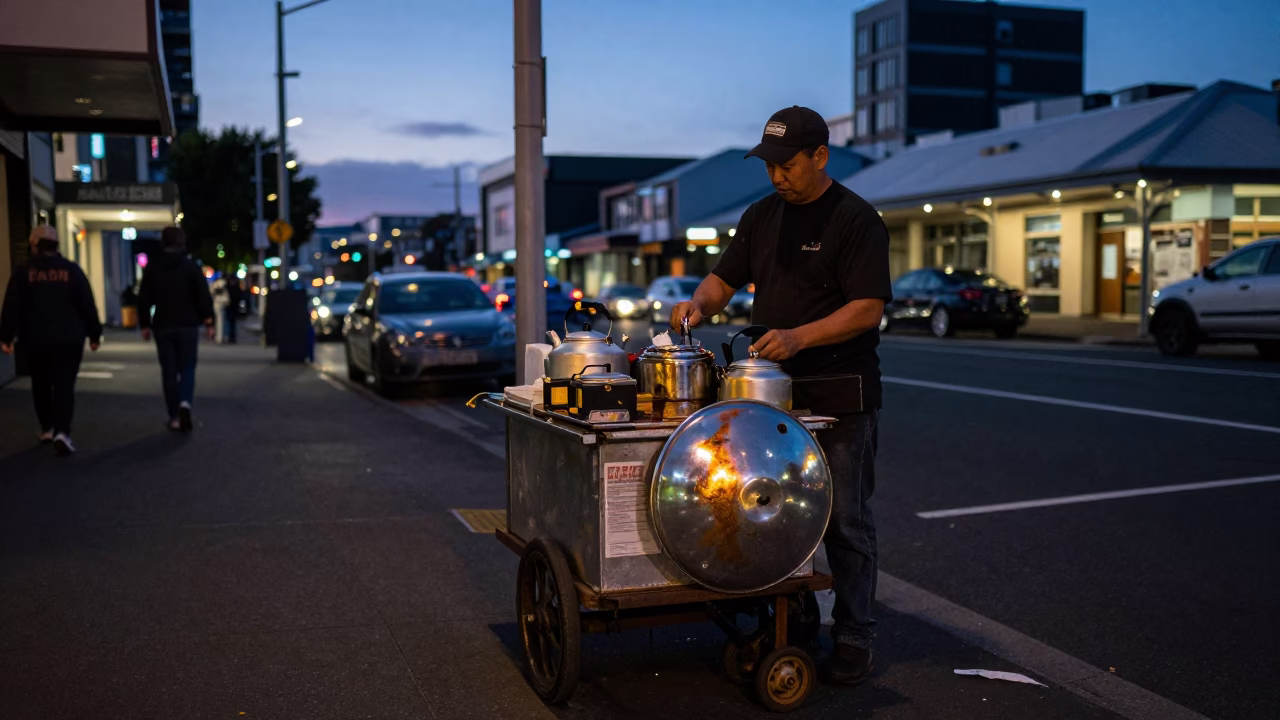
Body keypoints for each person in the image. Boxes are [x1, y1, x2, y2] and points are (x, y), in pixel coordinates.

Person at [669, 106, 891, 685]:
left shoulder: (856, 219)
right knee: (770, 513)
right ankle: (793, 624)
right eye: (768, 166)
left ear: (821, 156)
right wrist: (698, 305)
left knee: (844, 520)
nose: (776, 177)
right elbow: (723, 279)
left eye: (787, 165)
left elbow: (867, 308)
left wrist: (799, 337)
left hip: (839, 391)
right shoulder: (761, 216)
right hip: (769, 396)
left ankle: (855, 634)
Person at [0, 225, 103, 456]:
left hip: (35, 338)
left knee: (41, 383)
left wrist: (6, 336)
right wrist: (94, 334)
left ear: (34, 245)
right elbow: (87, 303)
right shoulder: (71, 270)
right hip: (69, 338)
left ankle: (47, 428)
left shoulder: (24, 273)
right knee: (65, 385)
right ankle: (62, 433)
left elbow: (12, 306)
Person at [136, 226, 215, 432]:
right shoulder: (191, 267)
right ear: (182, 242)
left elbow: (144, 298)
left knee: (169, 371)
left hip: (163, 324)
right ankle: (185, 403)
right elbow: (203, 297)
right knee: (187, 367)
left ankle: (173, 415)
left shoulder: (153, 267)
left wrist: (144, 323)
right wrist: (209, 321)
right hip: (188, 324)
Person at [223, 277, 242, 343]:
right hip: (232, 307)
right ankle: (231, 337)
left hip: (231, 307)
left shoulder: (229, 287)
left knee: (230, 322)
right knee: (231, 323)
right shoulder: (235, 287)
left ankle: (230, 337)